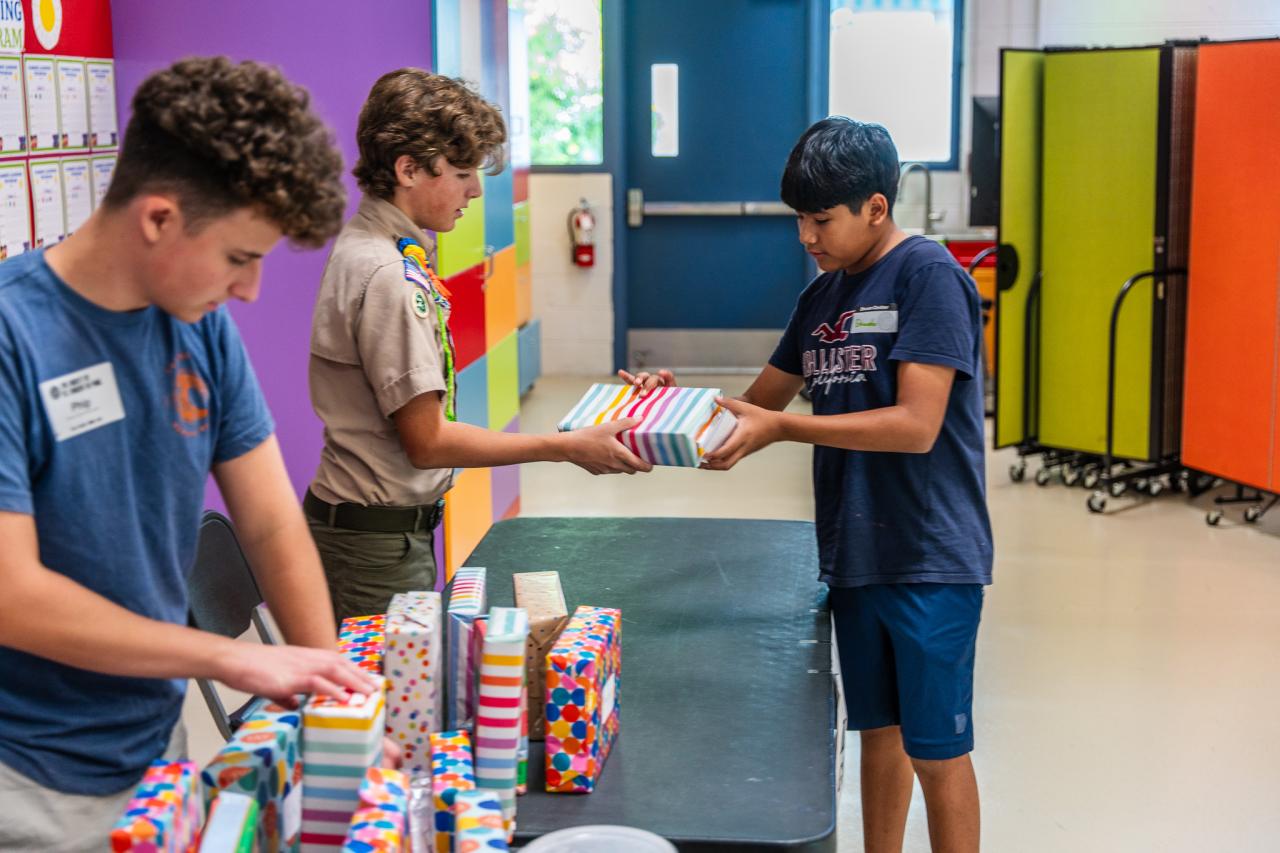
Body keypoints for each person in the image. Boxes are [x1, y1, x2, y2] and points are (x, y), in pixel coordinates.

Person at [0, 57, 378, 851]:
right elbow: (13, 593)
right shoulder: (13, 338)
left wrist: (332, 687)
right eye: (241, 257)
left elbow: (273, 522)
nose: (250, 291)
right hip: (28, 775)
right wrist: (234, 660)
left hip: (153, 741)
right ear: (159, 218)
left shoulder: (199, 327)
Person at [624, 117, 992, 853]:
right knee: (878, 733)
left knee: (937, 749)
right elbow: (752, 410)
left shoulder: (930, 278)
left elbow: (917, 424)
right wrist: (663, 404)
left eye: (822, 219)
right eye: (800, 218)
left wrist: (788, 430)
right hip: (854, 554)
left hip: (929, 558)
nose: (806, 235)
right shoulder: (821, 301)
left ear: (876, 209)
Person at [307, 69, 649, 624]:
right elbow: (428, 441)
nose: (475, 190)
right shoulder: (388, 274)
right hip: (372, 547)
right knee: (392, 705)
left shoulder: (375, 246)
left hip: (373, 529)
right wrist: (566, 447)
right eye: (463, 172)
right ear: (408, 168)